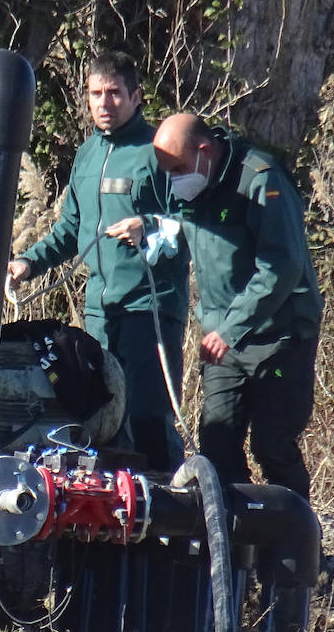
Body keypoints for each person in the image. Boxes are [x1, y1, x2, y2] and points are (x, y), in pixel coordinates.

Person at [112, 113, 322, 499]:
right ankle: (238, 540)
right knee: (217, 445)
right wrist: (148, 225)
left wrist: (229, 329)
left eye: (176, 169)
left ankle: (296, 540)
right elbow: (178, 223)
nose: (173, 180)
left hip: (279, 337)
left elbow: (282, 266)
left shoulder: (260, 178)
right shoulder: (190, 182)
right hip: (222, 340)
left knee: (272, 445)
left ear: (204, 151)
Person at [7, 52, 190, 470]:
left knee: (148, 416)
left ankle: (173, 518)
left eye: (114, 93)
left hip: (150, 308)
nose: (104, 103)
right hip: (99, 313)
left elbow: (191, 224)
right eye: (95, 94)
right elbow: (70, 229)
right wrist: (28, 263)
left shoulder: (158, 151)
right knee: (104, 418)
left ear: (136, 96)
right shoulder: (87, 154)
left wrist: (148, 225)